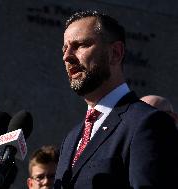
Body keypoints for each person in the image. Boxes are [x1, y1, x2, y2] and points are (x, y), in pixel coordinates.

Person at [54, 10, 178, 189]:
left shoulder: (148, 123)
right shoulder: (71, 139)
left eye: (80, 45)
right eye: (65, 49)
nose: (67, 56)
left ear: (116, 53)